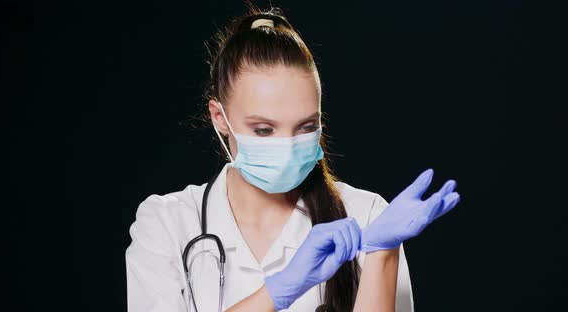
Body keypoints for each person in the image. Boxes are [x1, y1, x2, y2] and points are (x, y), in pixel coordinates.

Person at [125, 5, 461, 312]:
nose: (287, 147)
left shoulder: (369, 217)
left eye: (305, 127)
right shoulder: (166, 224)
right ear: (219, 118)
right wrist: (280, 290)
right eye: (263, 130)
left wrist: (382, 254)